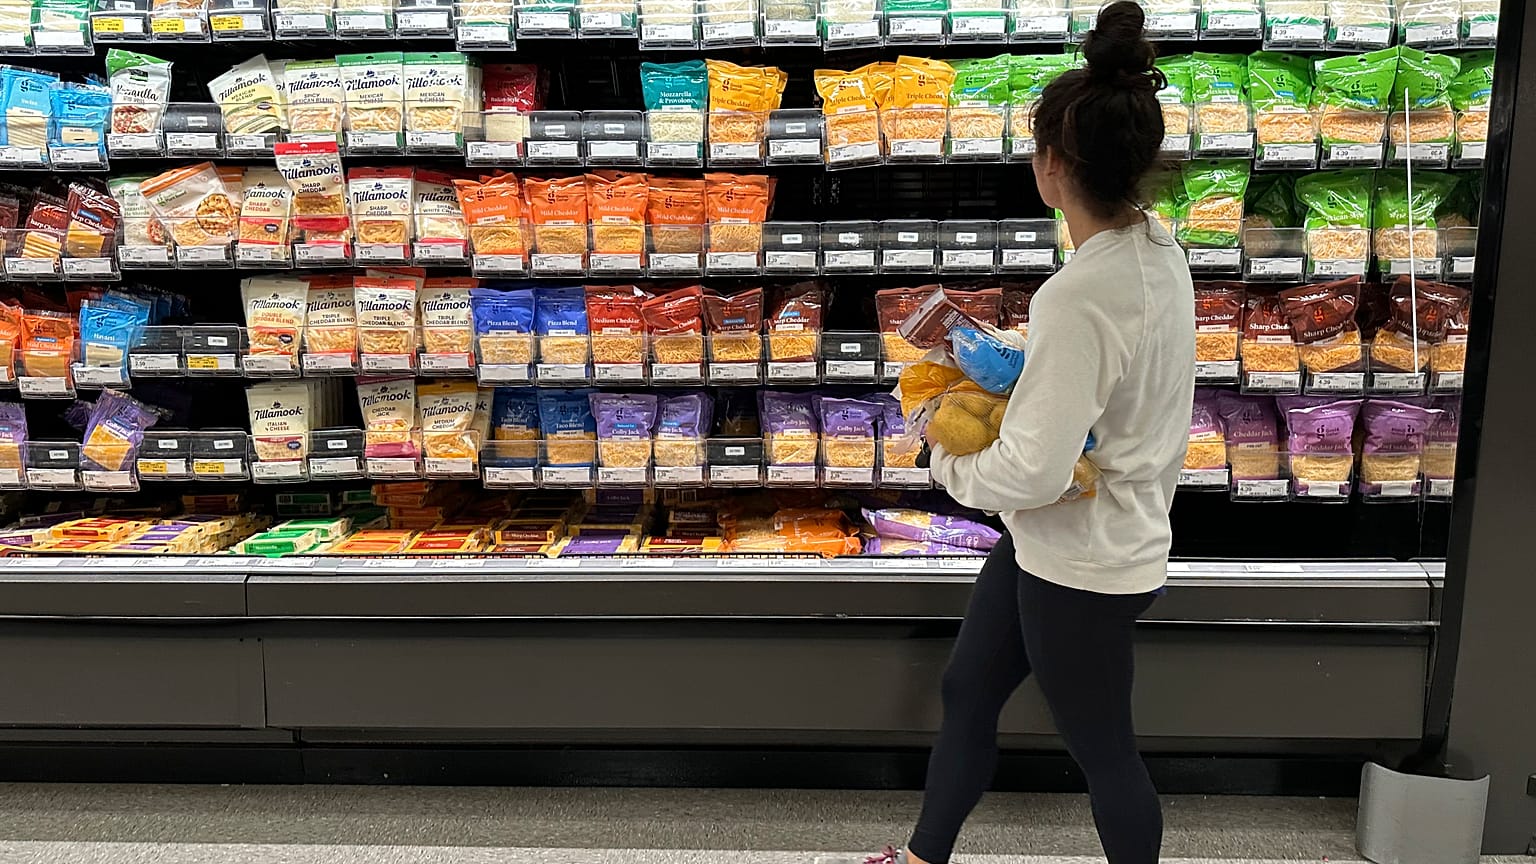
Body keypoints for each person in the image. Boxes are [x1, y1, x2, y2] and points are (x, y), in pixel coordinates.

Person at [863, 4, 1196, 864]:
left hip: (1083, 559)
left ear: (1051, 166)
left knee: (1105, 753)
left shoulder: (1080, 294)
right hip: (1072, 541)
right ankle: (922, 855)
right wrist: (1005, 354)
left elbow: (1033, 470)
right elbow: (1108, 366)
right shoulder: (1156, 250)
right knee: (969, 688)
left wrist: (940, 451)